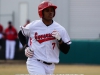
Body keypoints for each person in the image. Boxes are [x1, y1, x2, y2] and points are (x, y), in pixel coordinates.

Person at [18, 1, 71, 75]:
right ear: (41, 12)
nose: (50, 12)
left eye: (52, 10)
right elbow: (21, 33)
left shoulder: (60, 29)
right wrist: (25, 46)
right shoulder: (33, 26)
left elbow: (66, 50)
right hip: (35, 62)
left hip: (51, 65)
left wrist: (60, 40)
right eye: (47, 10)